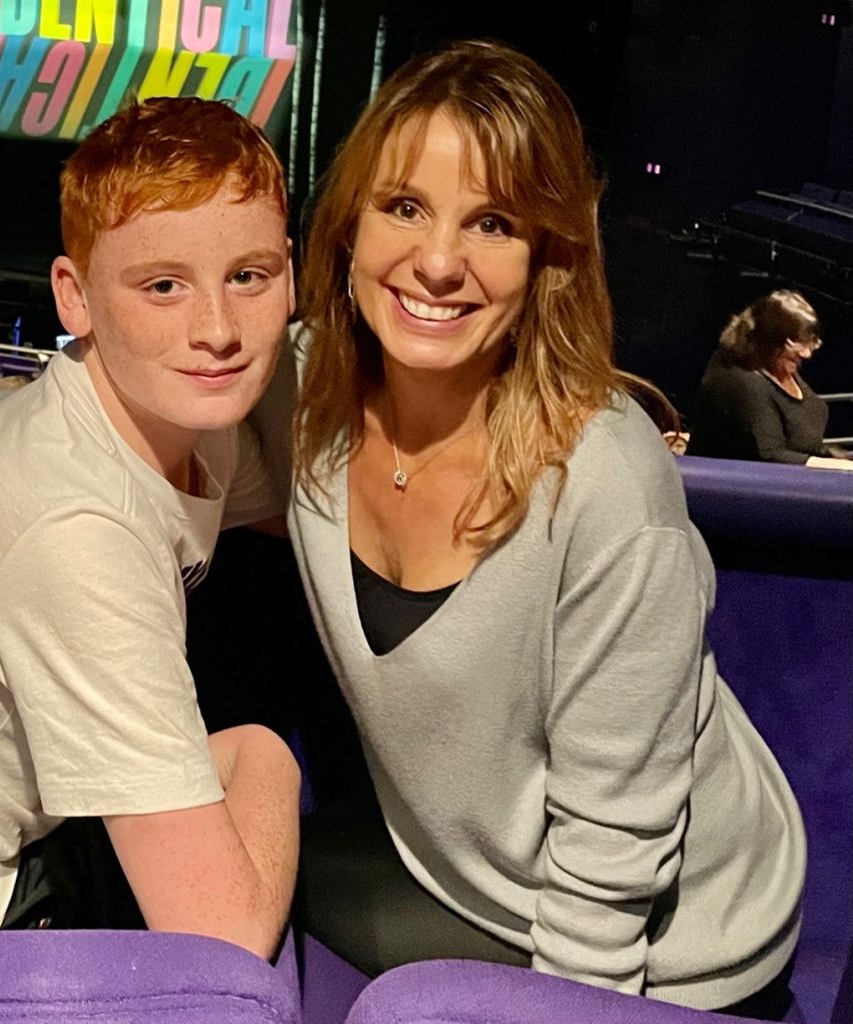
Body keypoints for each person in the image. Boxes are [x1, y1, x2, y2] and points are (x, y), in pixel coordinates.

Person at [281, 38, 805, 1015]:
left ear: (548, 258)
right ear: (349, 221)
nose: (436, 262)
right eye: (403, 206)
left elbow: (609, 870)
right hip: (474, 875)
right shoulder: (302, 391)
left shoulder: (607, 483)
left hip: (676, 939)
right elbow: (130, 402)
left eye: (491, 222)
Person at [0, 96, 300, 956]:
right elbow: (220, 934)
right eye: (162, 286)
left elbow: (283, 521)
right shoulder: (79, 532)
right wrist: (269, 755)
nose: (218, 331)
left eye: (249, 276)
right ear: (74, 299)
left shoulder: (182, 408)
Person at [686, 289, 853, 469]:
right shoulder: (738, 380)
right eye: (795, 343)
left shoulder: (779, 367)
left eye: (810, 342)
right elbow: (769, 455)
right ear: (768, 339)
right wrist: (844, 467)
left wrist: (843, 459)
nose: (806, 353)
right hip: (737, 489)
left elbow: (806, 446)